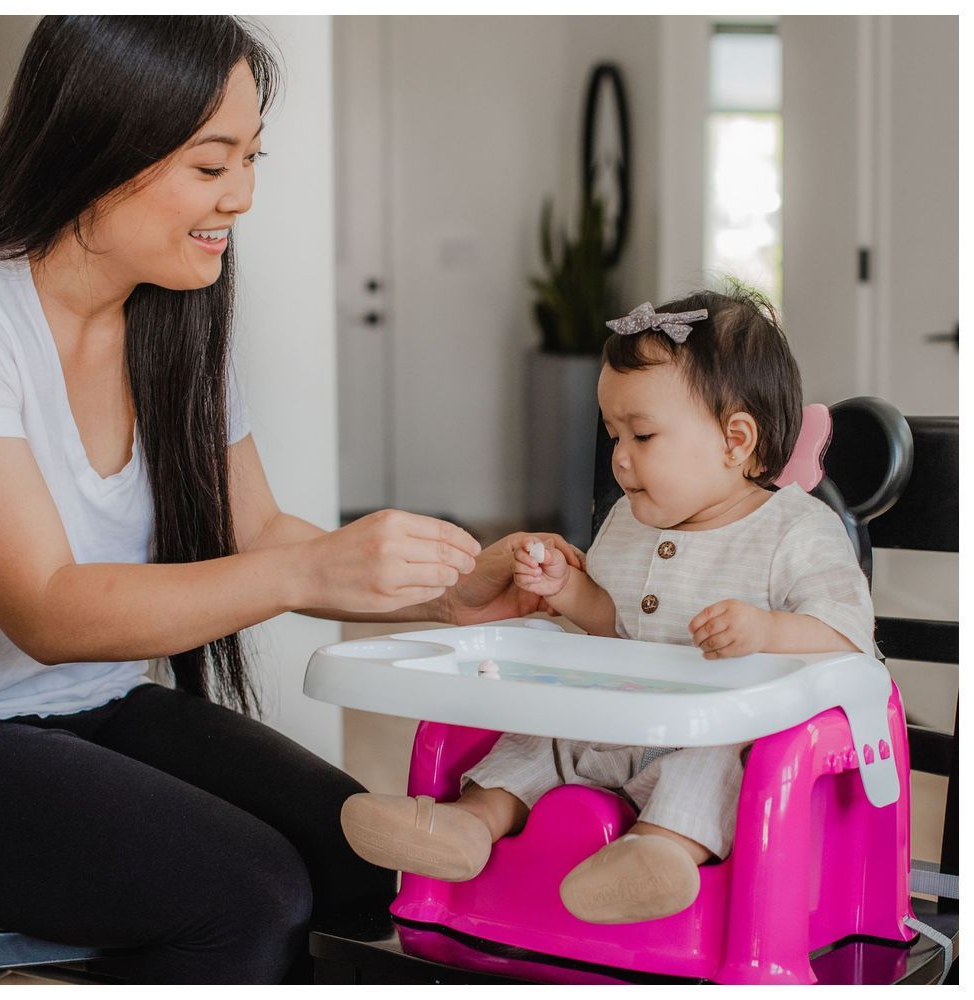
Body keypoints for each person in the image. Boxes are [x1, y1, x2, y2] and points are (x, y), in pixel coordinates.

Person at [0, 16, 576, 984]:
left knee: (358, 870)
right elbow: (46, 606)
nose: (244, 197)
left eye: (252, 158)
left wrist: (451, 592)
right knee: (250, 898)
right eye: (213, 164)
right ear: (101, 142)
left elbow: (257, 530)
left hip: (95, 705)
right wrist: (307, 567)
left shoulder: (175, 310)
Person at [340, 289, 877, 925]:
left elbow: (849, 639)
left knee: (719, 764)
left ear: (736, 440)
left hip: (716, 737)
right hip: (620, 720)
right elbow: (613, 622)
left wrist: (766, 630)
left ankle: (659, 855)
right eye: (613, 433)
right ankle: (466, 825)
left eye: (642, 435)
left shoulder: (796, 531)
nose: (620, 457)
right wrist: (567, 589)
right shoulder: (630, 517)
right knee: (542, 731)